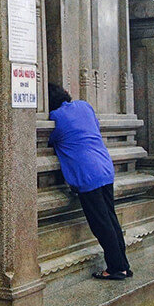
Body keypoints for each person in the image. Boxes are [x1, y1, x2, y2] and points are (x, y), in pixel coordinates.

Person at [48, 83, 132, 280]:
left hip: (86, 173)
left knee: (101, 224)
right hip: (104, 166)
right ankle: (123, 265)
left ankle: (115, 268)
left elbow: (51, 139)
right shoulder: (84, 106)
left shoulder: (56, 118)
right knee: (111, 218)